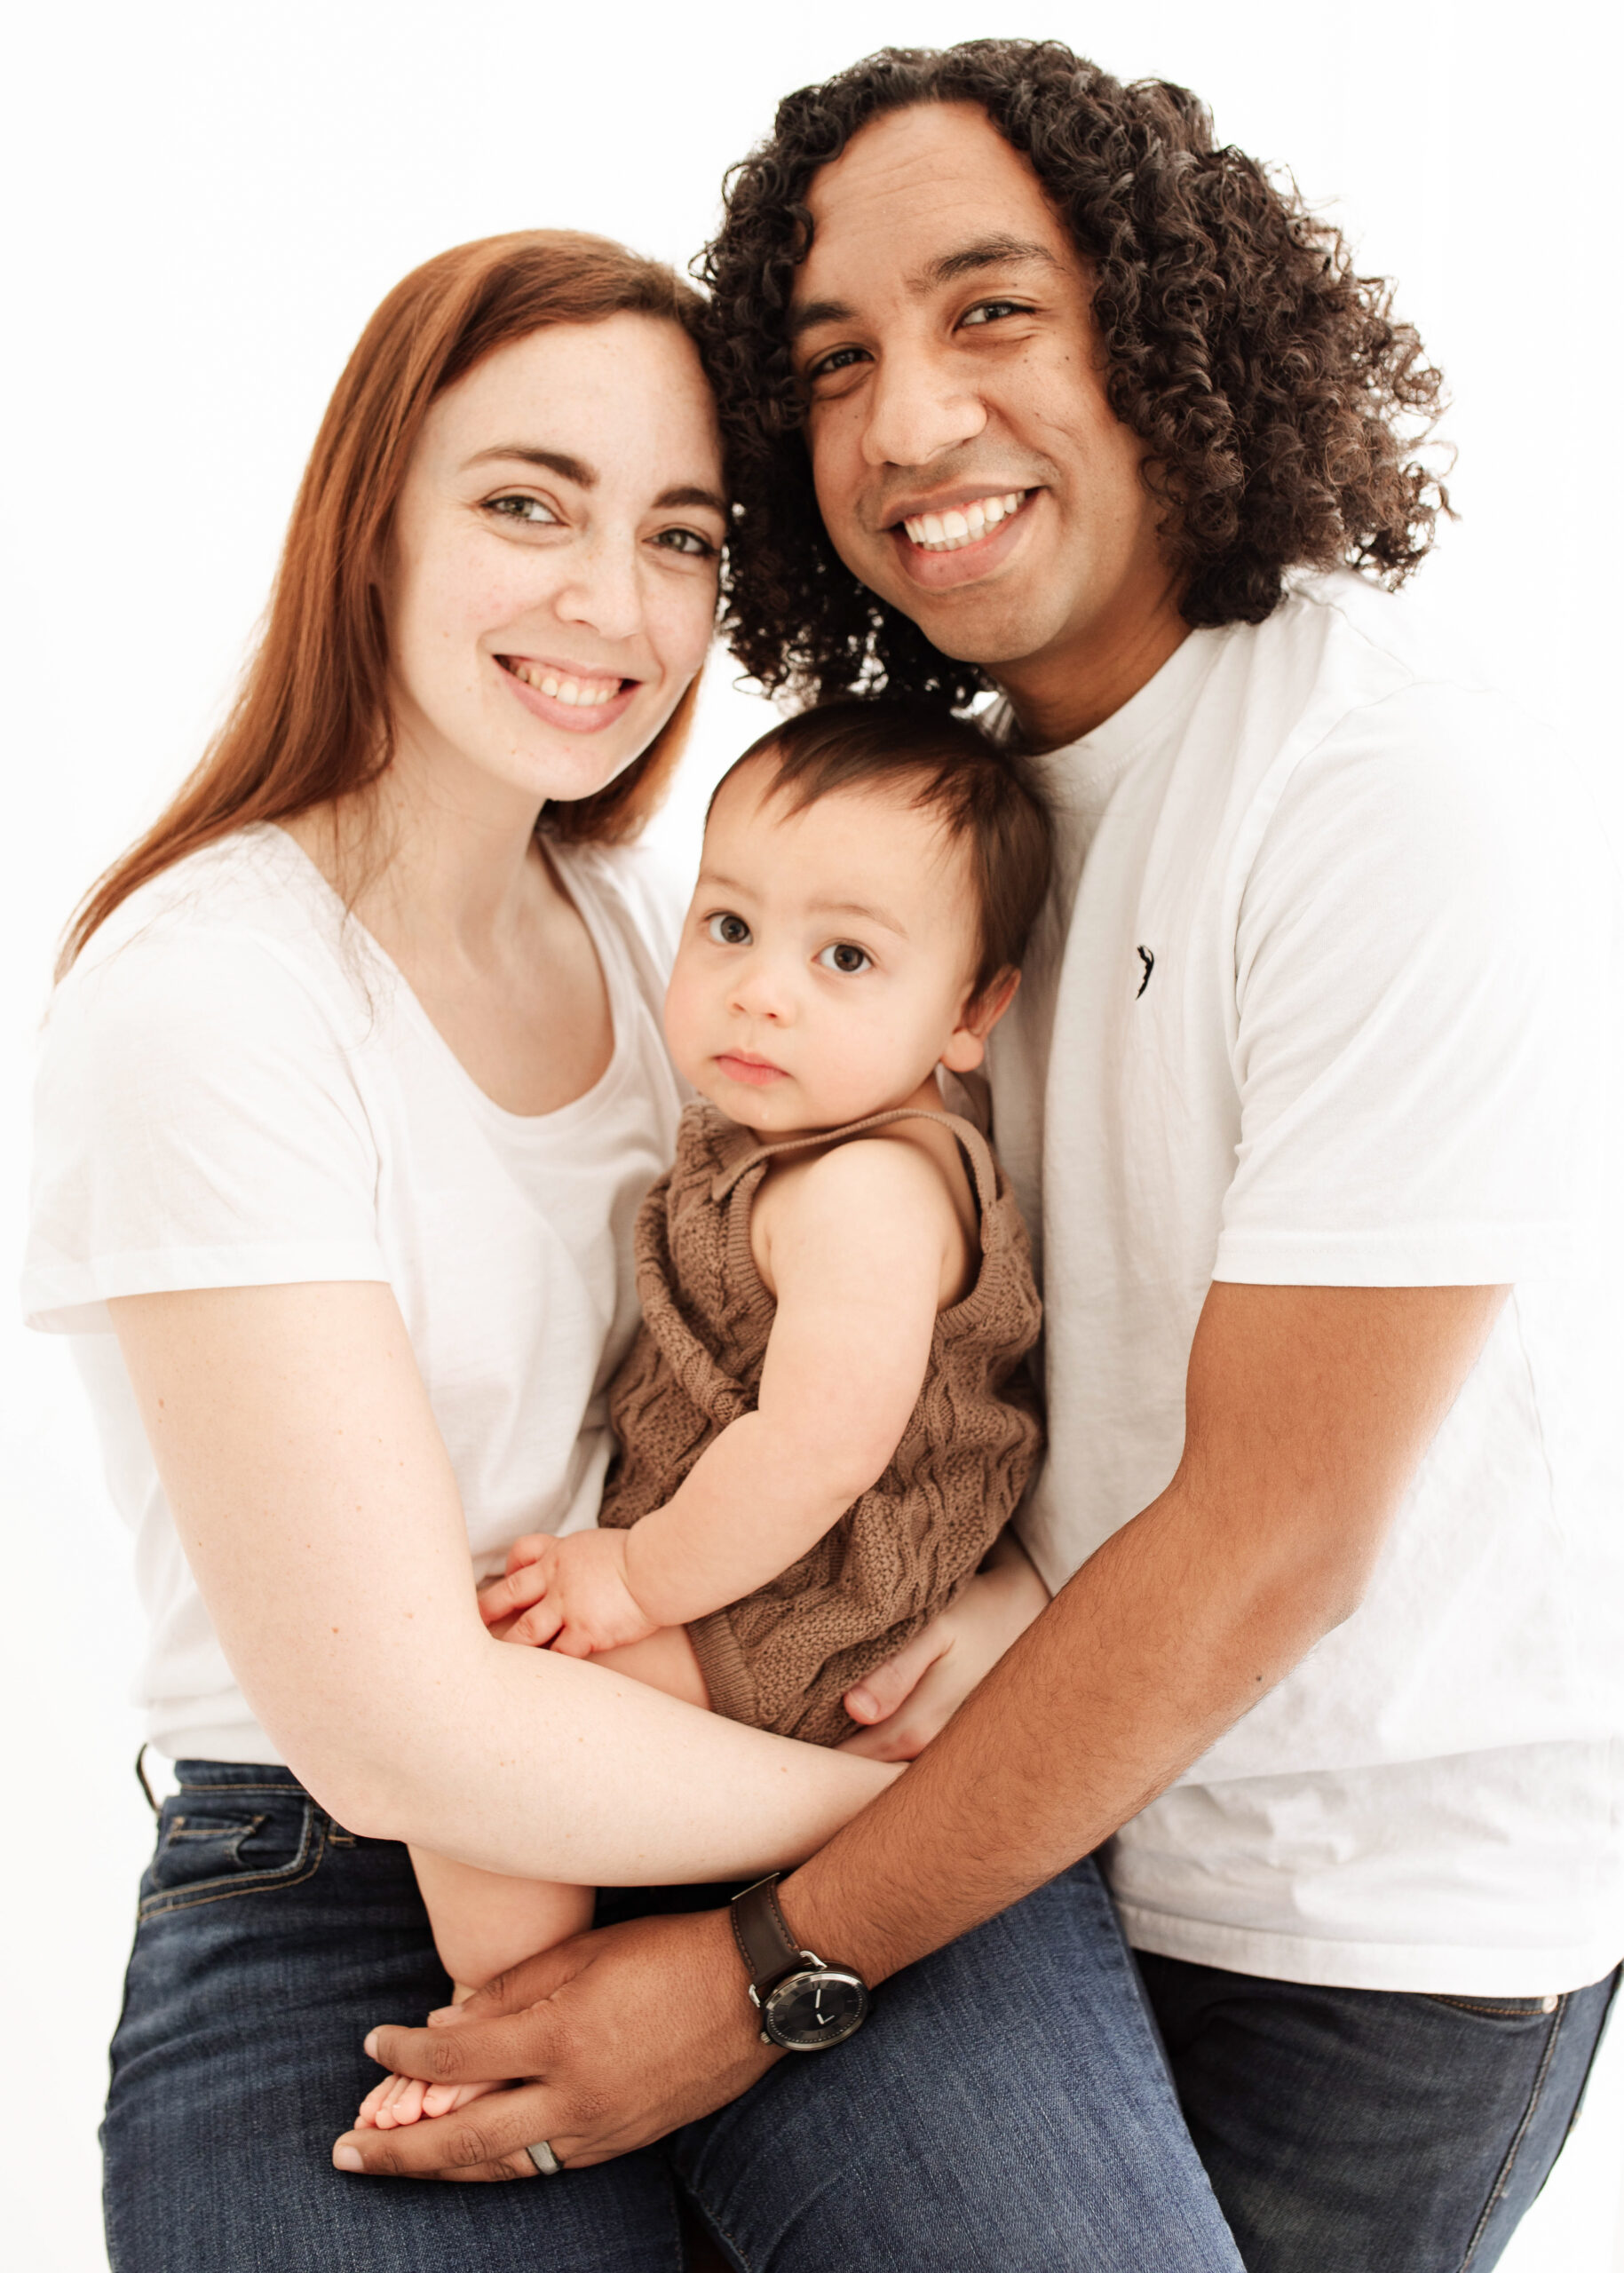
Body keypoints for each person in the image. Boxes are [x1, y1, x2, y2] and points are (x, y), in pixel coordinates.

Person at [344, 44, 1624, 2273]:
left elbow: (1275, 1536)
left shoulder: (1372, 786)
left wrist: (759, 1975)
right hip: (1008, 1833)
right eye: (835, 360)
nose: (912, 422)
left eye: (993, 310)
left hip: (1352, 1935)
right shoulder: (946, 819)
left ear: (1165, 327)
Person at [25, 224, 1244, 2270]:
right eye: (529, 504)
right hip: (359, 1863)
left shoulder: (651, 925)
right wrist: (927, 1829)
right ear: (370, 530)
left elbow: (903, 1341)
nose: (614, 603)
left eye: (681, 537)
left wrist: (997, 1608)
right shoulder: (210, 1000)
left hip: (764, 1730)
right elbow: (400, 1723)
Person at [357, 700, 1050, 2132]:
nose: (761, 991)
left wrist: (635, 1580)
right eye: (729, 928)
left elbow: (816, 1450)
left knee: (479, 1723)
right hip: (762, 1568)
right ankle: (557, 1968)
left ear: (971, 1014)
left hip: (813, 1603)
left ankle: (513, 2020)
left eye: (845, 957)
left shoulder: (868, 1188)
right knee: (469, 1713)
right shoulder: (778, 1137)